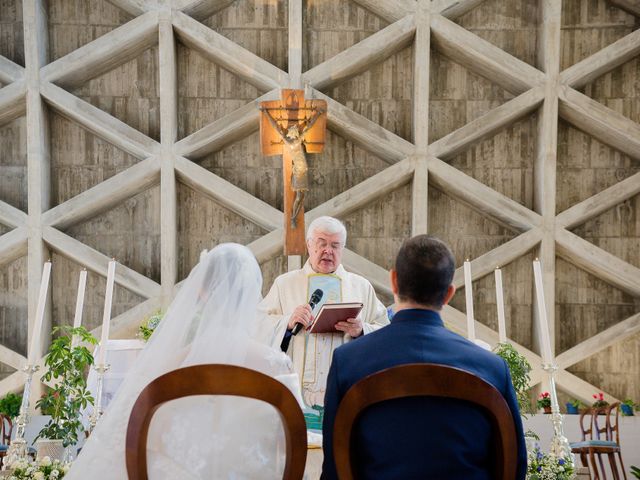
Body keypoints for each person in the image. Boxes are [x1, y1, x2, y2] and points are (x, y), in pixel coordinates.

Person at [67, 244, 301, 479]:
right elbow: (294, 441)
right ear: (254, 292)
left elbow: (138, 438)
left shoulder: (170, 367)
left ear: (200, 293)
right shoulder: (275, 365)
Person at [321, 235, 527, 480]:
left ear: (394, 281)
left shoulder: (348, 361)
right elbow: (514, 468)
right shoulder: (493, 369)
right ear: (449, 293)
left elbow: (335, 469)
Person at [257, 216, 389, 408]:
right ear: (309, 245)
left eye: (335, 245)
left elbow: (385, 332)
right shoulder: (285, 284)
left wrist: (362, 330)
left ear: (342, 250)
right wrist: (287, 322)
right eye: (322, 243)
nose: (328, 250)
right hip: (296, 385)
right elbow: (259, 325)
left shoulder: (361, 286)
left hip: (344, 387)